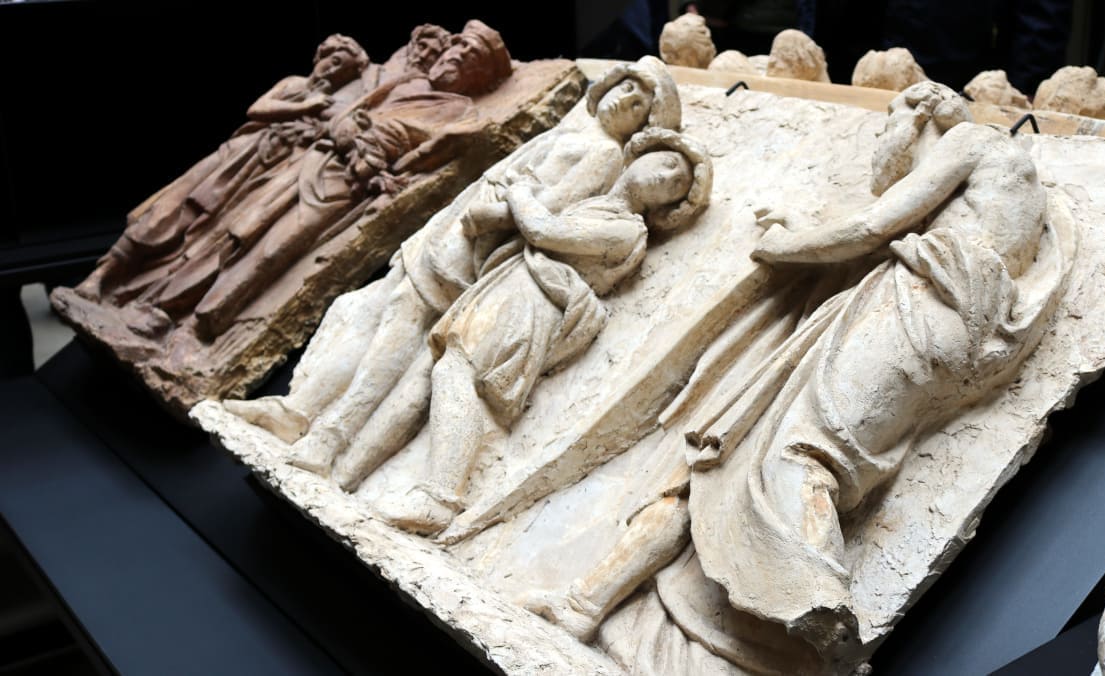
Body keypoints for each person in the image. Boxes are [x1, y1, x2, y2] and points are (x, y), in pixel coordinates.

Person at [522, 81, 1076, 665]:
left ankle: (822, 622)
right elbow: (884, 233)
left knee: (802, 456)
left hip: (920, 310)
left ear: (919, 114)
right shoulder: (993, 197)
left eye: (888, 123)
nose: (882, 144)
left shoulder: (970, 139)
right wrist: (805, 233)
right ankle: (587, 601)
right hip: (936, 322)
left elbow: (872, 227)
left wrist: (784, 245)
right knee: (725, 460)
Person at [224, 57, 683, 495]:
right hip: (454, 230)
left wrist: (494, 211)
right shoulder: (576, 130)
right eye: (627, 88)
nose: (625, 101)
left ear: (642, 126)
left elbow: (547, 209)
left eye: (638, 105)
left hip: (473, 245)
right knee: (370, 310)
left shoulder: (604, 154)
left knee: (399, 331)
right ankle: (297, 410)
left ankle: (327, 440)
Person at [383, 128, 711, 536]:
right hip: (517, 283)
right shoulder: (597, 204)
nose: (666, 177)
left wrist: (520, 192)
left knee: (459, 372)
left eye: (676, 185)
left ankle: (440, 498)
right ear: (641, 155)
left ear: (666, 207)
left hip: (534, 298)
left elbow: (543, 232)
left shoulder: (628, 231)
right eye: (667, 163)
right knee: (452, 370)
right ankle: (436, 491)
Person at [184, 21, 513, 340]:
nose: (458, 54)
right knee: (242, 227)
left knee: (277, 247)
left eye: (471, 55)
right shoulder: (403, 81)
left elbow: (419, 162)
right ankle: (179, 301)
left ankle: (215, 315)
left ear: (480, 78)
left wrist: (377, 162)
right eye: (459, 45)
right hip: (314, 157)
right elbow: (346, 108)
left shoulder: (461, 114)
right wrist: (340, 125)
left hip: (347, 183)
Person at [76, 34, 375, 307]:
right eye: (333, 60)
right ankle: (100, 277)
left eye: (343, 69)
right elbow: (258, 109)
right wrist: (305, 107)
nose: (333, 69)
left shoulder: (333, 104)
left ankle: (147, 297)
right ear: (320, 56)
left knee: (210, 232)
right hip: (238, 155)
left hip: (268, 171)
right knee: (169, 211)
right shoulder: (295, 84)